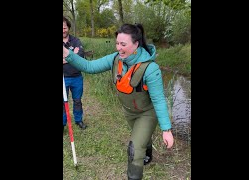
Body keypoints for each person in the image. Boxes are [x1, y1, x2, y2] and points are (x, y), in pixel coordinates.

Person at [63, 23, 174, 180]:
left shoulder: (150, 68)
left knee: (134, 149)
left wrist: (166, 129)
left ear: (136, 44)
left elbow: (159, 100)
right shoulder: (116, 59)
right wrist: (66, 52)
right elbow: (89, 66)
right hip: (129, 112)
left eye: (123, 44)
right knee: (142, 137)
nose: (119, 48)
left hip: (147, 113)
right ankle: (148, 151)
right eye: (117, 43)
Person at [63, 16, 87, 132]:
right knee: (63, 102)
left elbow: (81, 55)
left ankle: (78, 120)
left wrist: (66, 57)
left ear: (68, 28)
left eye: (64, 27)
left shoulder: (76, 41)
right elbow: (76, 56)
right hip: (63, 78)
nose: (63, 30)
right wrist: (73, 55)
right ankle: (63, 123)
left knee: (77, 100)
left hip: (77, 77)